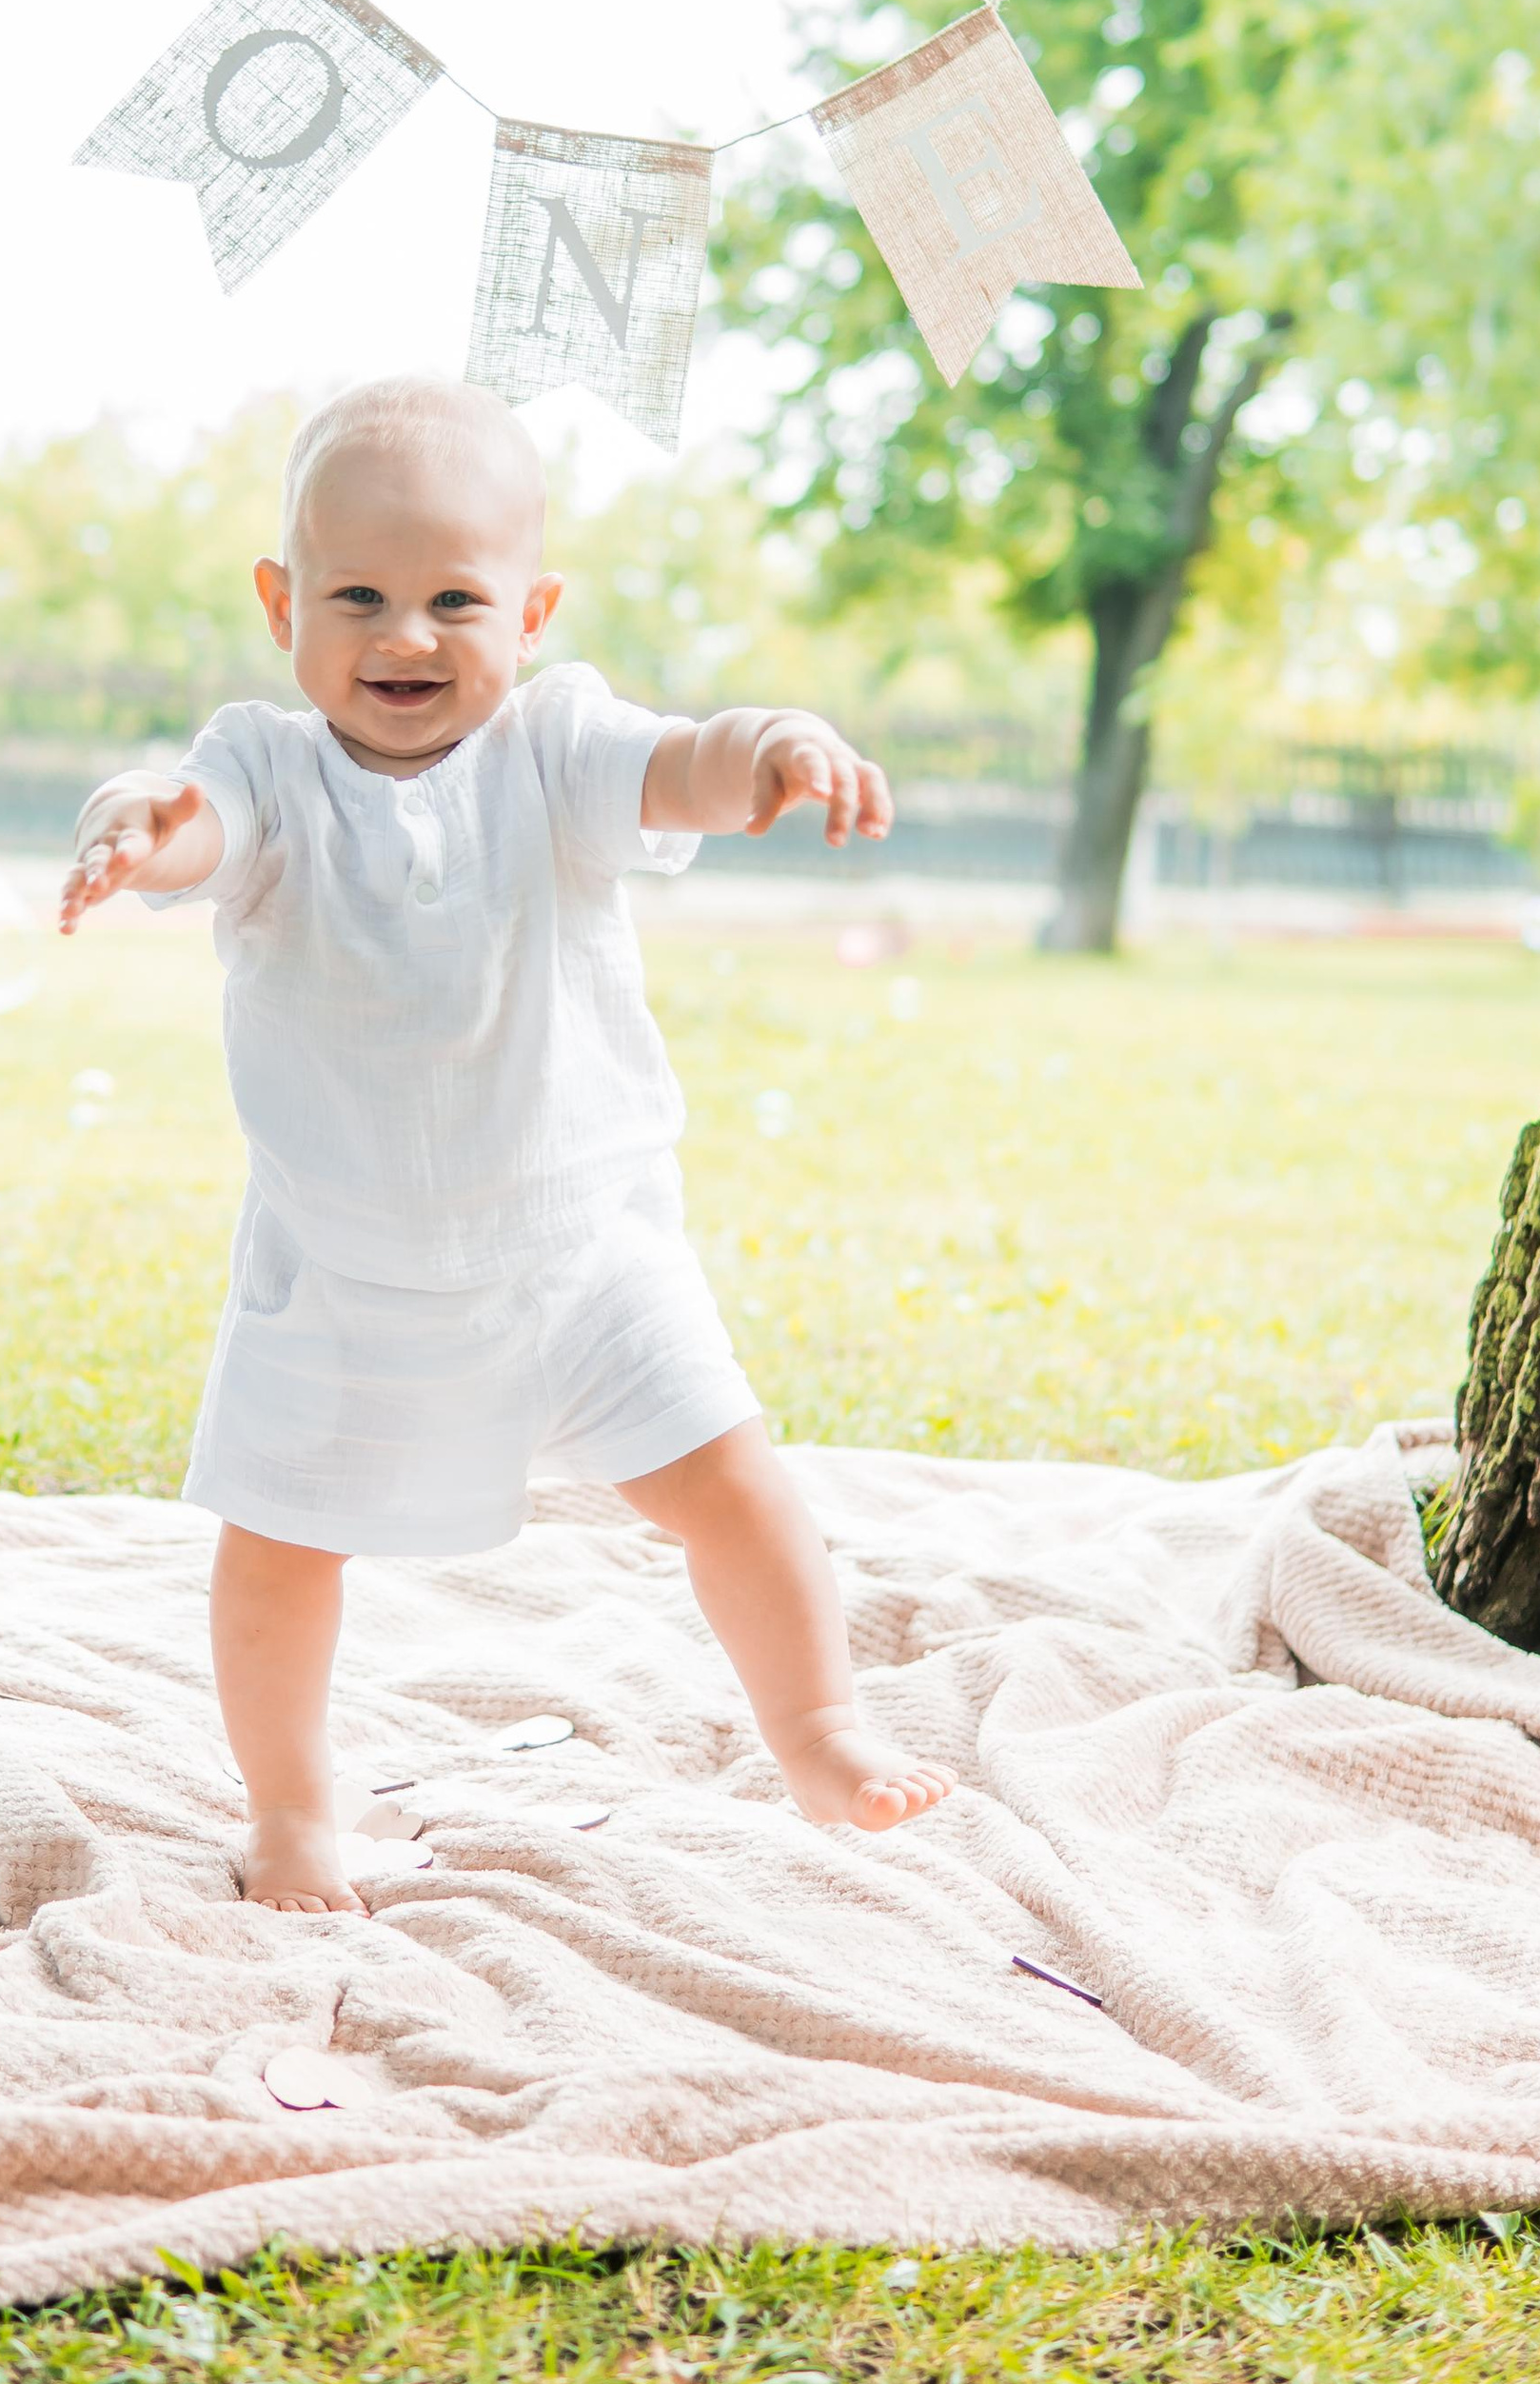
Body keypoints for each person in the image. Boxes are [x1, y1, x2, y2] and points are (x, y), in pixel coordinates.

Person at [61, 376, 947, 1913]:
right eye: (359, 596)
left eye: (454, 600)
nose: (405, 637)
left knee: (735, 1489)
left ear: (531, 611)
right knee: (275, 1553)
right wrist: (137, 830)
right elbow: (188, 818)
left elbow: (686, 764)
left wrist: (776, 748)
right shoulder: (270, 771)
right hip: (342, 1277)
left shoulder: (556, 749)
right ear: (283, 605)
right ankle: (291, 1809)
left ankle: (817, 1728)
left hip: (581, 1261)